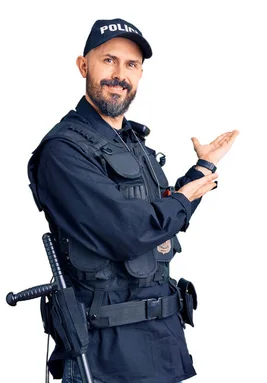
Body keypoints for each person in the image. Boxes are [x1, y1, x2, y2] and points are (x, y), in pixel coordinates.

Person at [27, 18, 239, 383]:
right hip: (106, 357)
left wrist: (202, 170)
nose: (119, 74)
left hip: (161, 346)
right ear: (83, 65)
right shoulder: (64, 151)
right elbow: (126, 231)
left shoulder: (132, 143)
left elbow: (160, 215)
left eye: (131, 65)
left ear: (140, 74)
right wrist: (184, 198)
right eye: (108, 60)